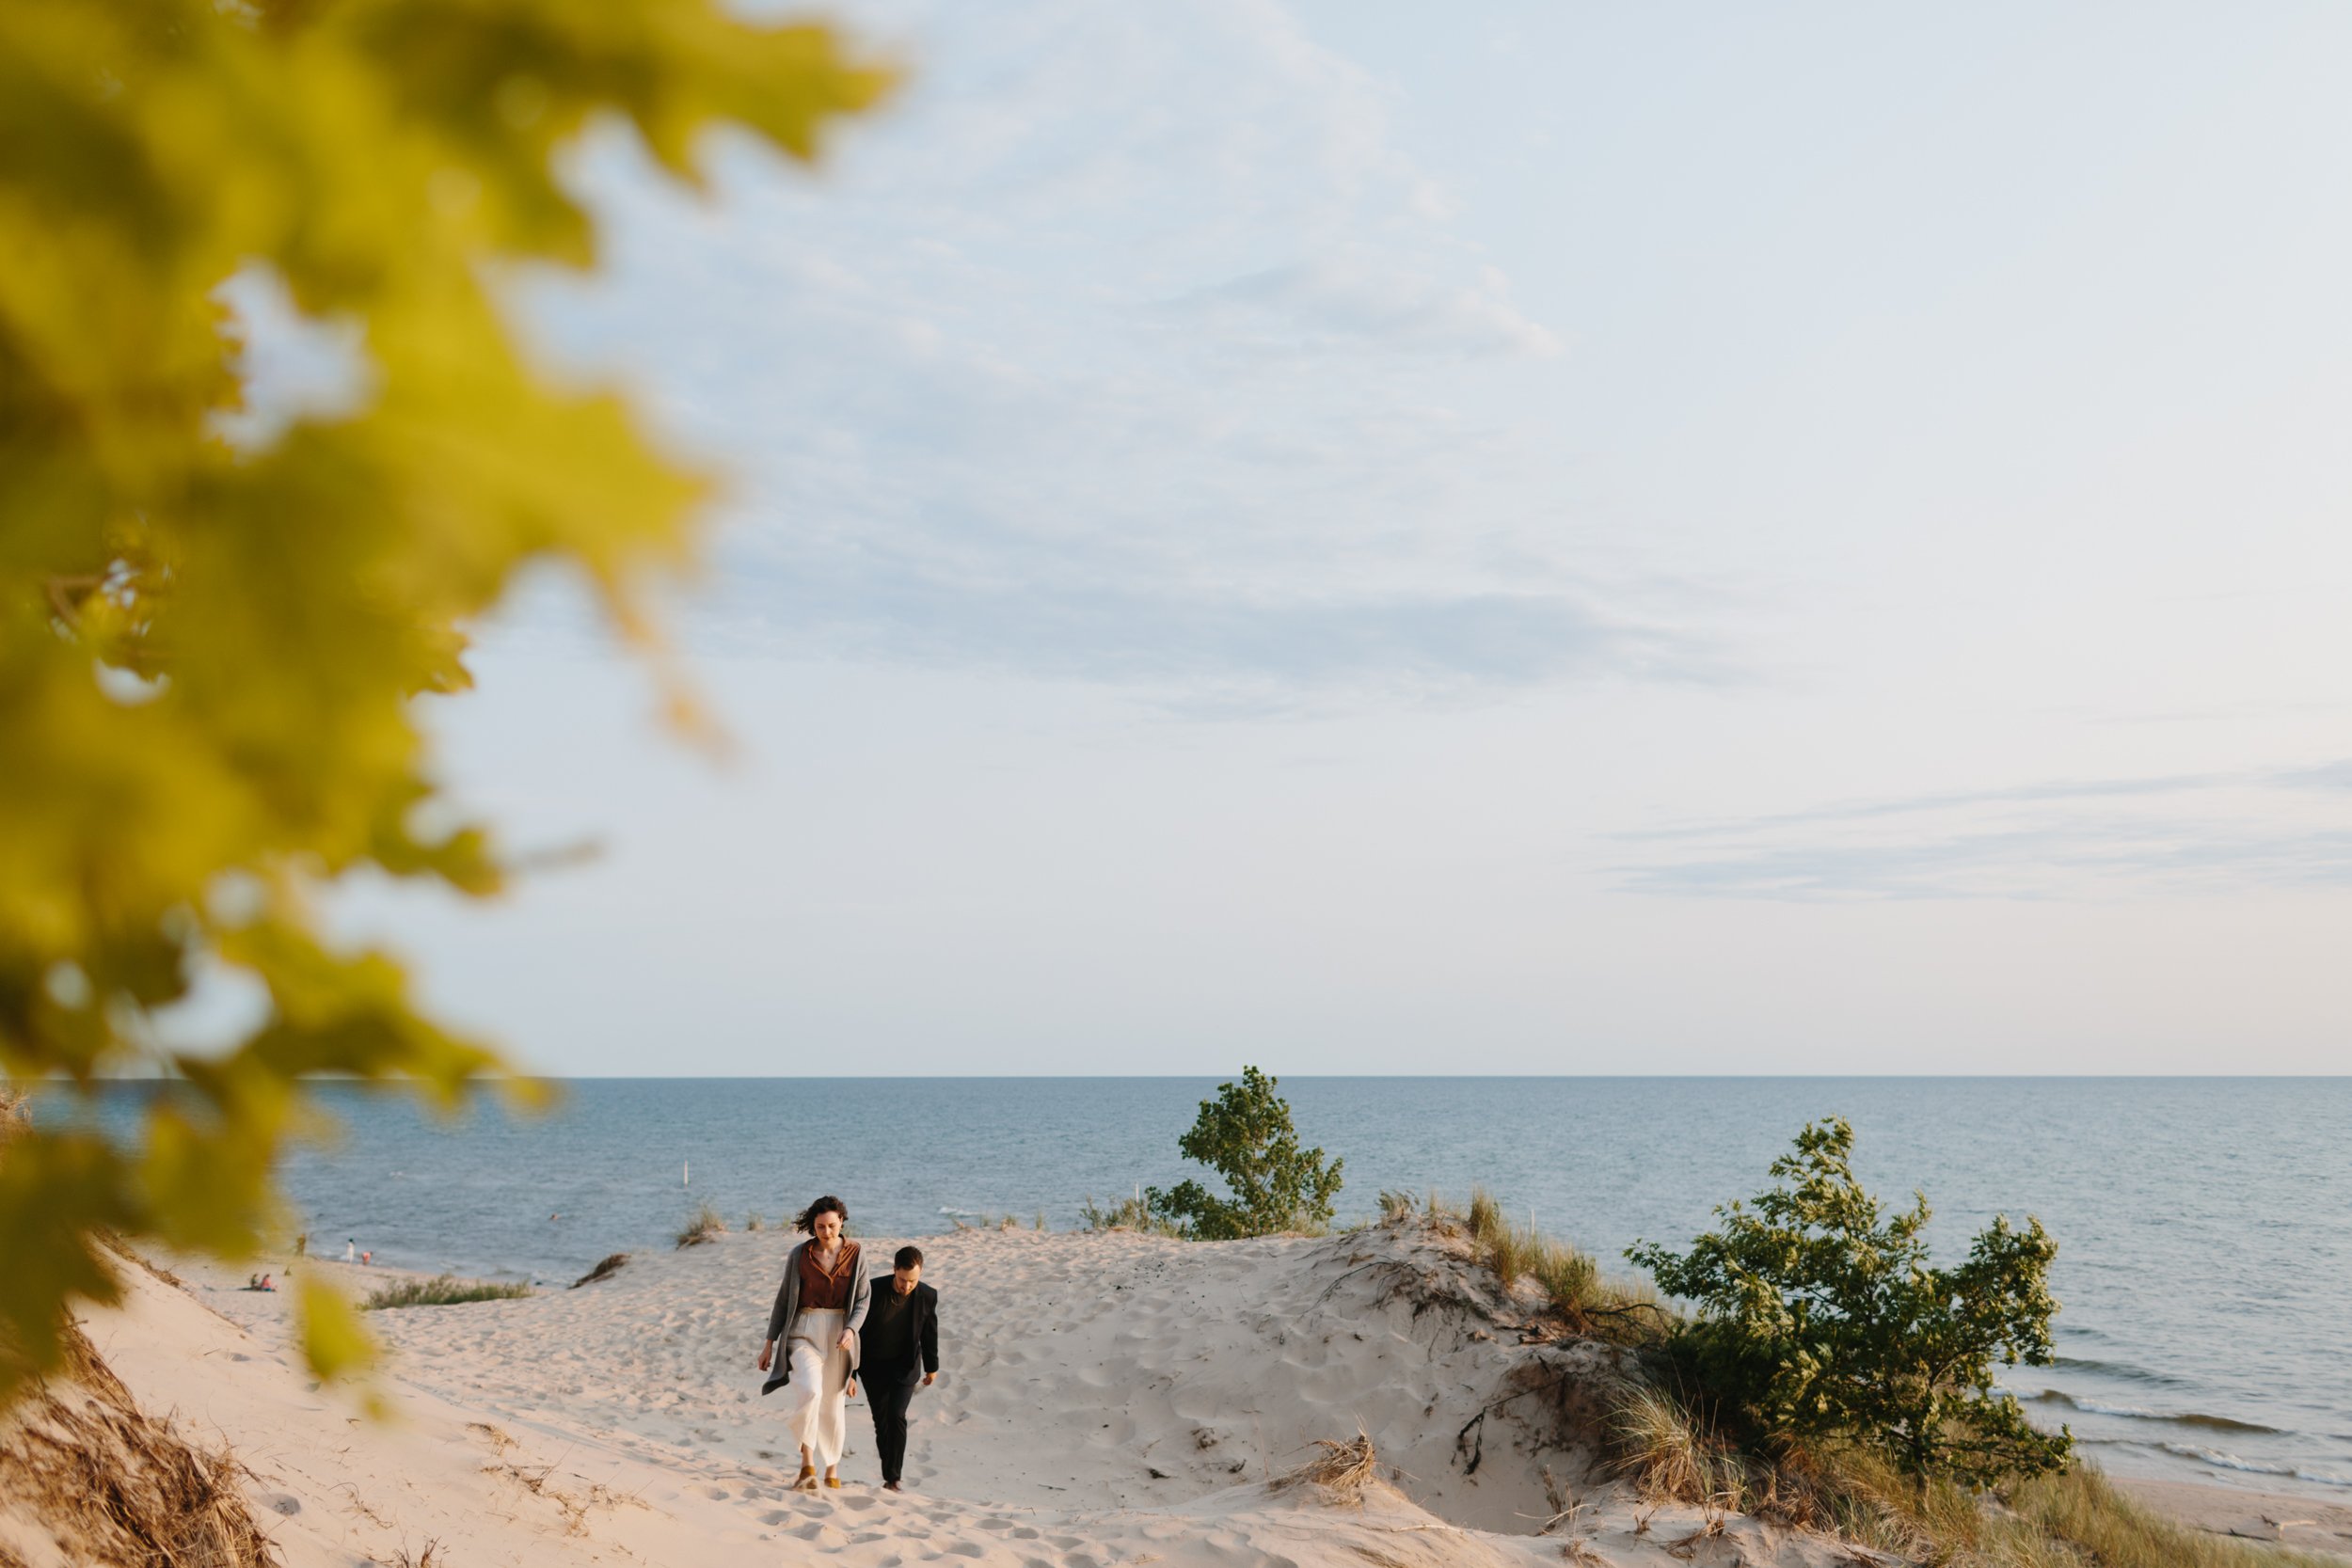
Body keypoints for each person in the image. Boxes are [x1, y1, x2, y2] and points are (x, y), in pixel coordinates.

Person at [756, 1196, 869, 1490]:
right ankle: (807, 1464)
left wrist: (851, 1330)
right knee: (810, 1391)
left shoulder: (857, 1253)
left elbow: (862, 1300)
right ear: (813, 1226)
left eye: (832, 1225)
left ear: (842, 1222)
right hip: (803, 1329)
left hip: (838, 1334)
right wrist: (770, 1343)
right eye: (820, 1227)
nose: (827, 1232)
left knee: (833, 1404)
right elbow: (783, 1300)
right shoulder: (800, 1254)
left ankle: (831, 1469)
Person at [858, 1245, 940, 1492]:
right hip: (872, 1367)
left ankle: (894, 1478)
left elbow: (929, 1332)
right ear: (894, 1270)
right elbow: (856, 1332)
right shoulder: (872, 1290)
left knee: (896, 1416)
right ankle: (888, 1473)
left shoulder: (927, 1295)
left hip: (905, 1367)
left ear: (921, 1273)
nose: (906, 1286)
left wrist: (932, 1367)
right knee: (881, 1421)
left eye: (912, 1281)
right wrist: (850, 1373)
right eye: (902, 1280)